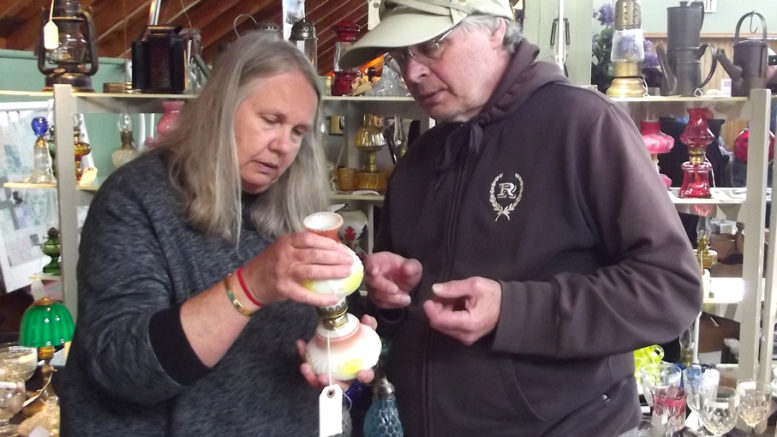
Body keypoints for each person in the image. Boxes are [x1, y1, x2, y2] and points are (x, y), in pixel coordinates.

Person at [339, 0, 703, 435]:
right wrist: (387, 299)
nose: (411, 72)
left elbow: (670, 289)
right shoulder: (420, 160)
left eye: (432, 45)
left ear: (496, 30)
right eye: (401, 55)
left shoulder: (582, 125)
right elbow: (399, 316)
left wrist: (512, 311)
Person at [60, 32, 371, 436]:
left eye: (297, 132)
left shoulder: (286, 207)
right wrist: (252, 284)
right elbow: (123, 367)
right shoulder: (136, 199)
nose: (283, 146)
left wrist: (335, 349)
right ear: (222, 109)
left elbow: (296, 340)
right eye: (271, 120)